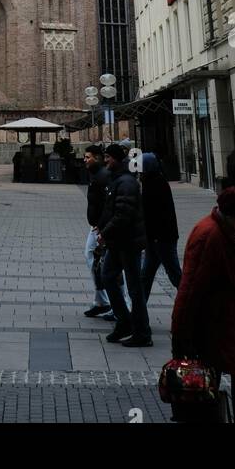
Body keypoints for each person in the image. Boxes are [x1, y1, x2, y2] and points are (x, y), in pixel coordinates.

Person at [171, 186, 235, 425]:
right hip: (214, 324)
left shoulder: (229, 230)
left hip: (230, 320)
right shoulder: (210, 235)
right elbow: (189, 287)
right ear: (231, 214)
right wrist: (180, 333)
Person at [97, 142, 152, 347]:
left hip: (128, 241)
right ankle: (124, 321)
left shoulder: (127, 182)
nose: (106, 161)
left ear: (118, 159)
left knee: (134, 287)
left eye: (109, 157)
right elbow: (113, 209)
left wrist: (105, 232)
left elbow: (123, 214)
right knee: (107, 276)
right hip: (118, 241)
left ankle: (142, 332)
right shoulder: (118, 179)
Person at [140, 152, 183, 299]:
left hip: (162, 238)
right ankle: (138, 313)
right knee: (146, 275)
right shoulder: (152, 181)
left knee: (174, 274)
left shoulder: (155, 183)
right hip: (156, 239)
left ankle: (191, 304)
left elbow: (154, 214)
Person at [82, 144, 114, 319]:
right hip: (97, 226)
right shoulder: (95, 174)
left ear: (98, 157)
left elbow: (108, 204)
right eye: (85, 157)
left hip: (101, 227)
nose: (85, 160)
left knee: (101, 262)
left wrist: (102, 225)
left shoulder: (103, 176)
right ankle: (101, 301)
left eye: (88, 157)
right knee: (92, 259)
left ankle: (112, 302)